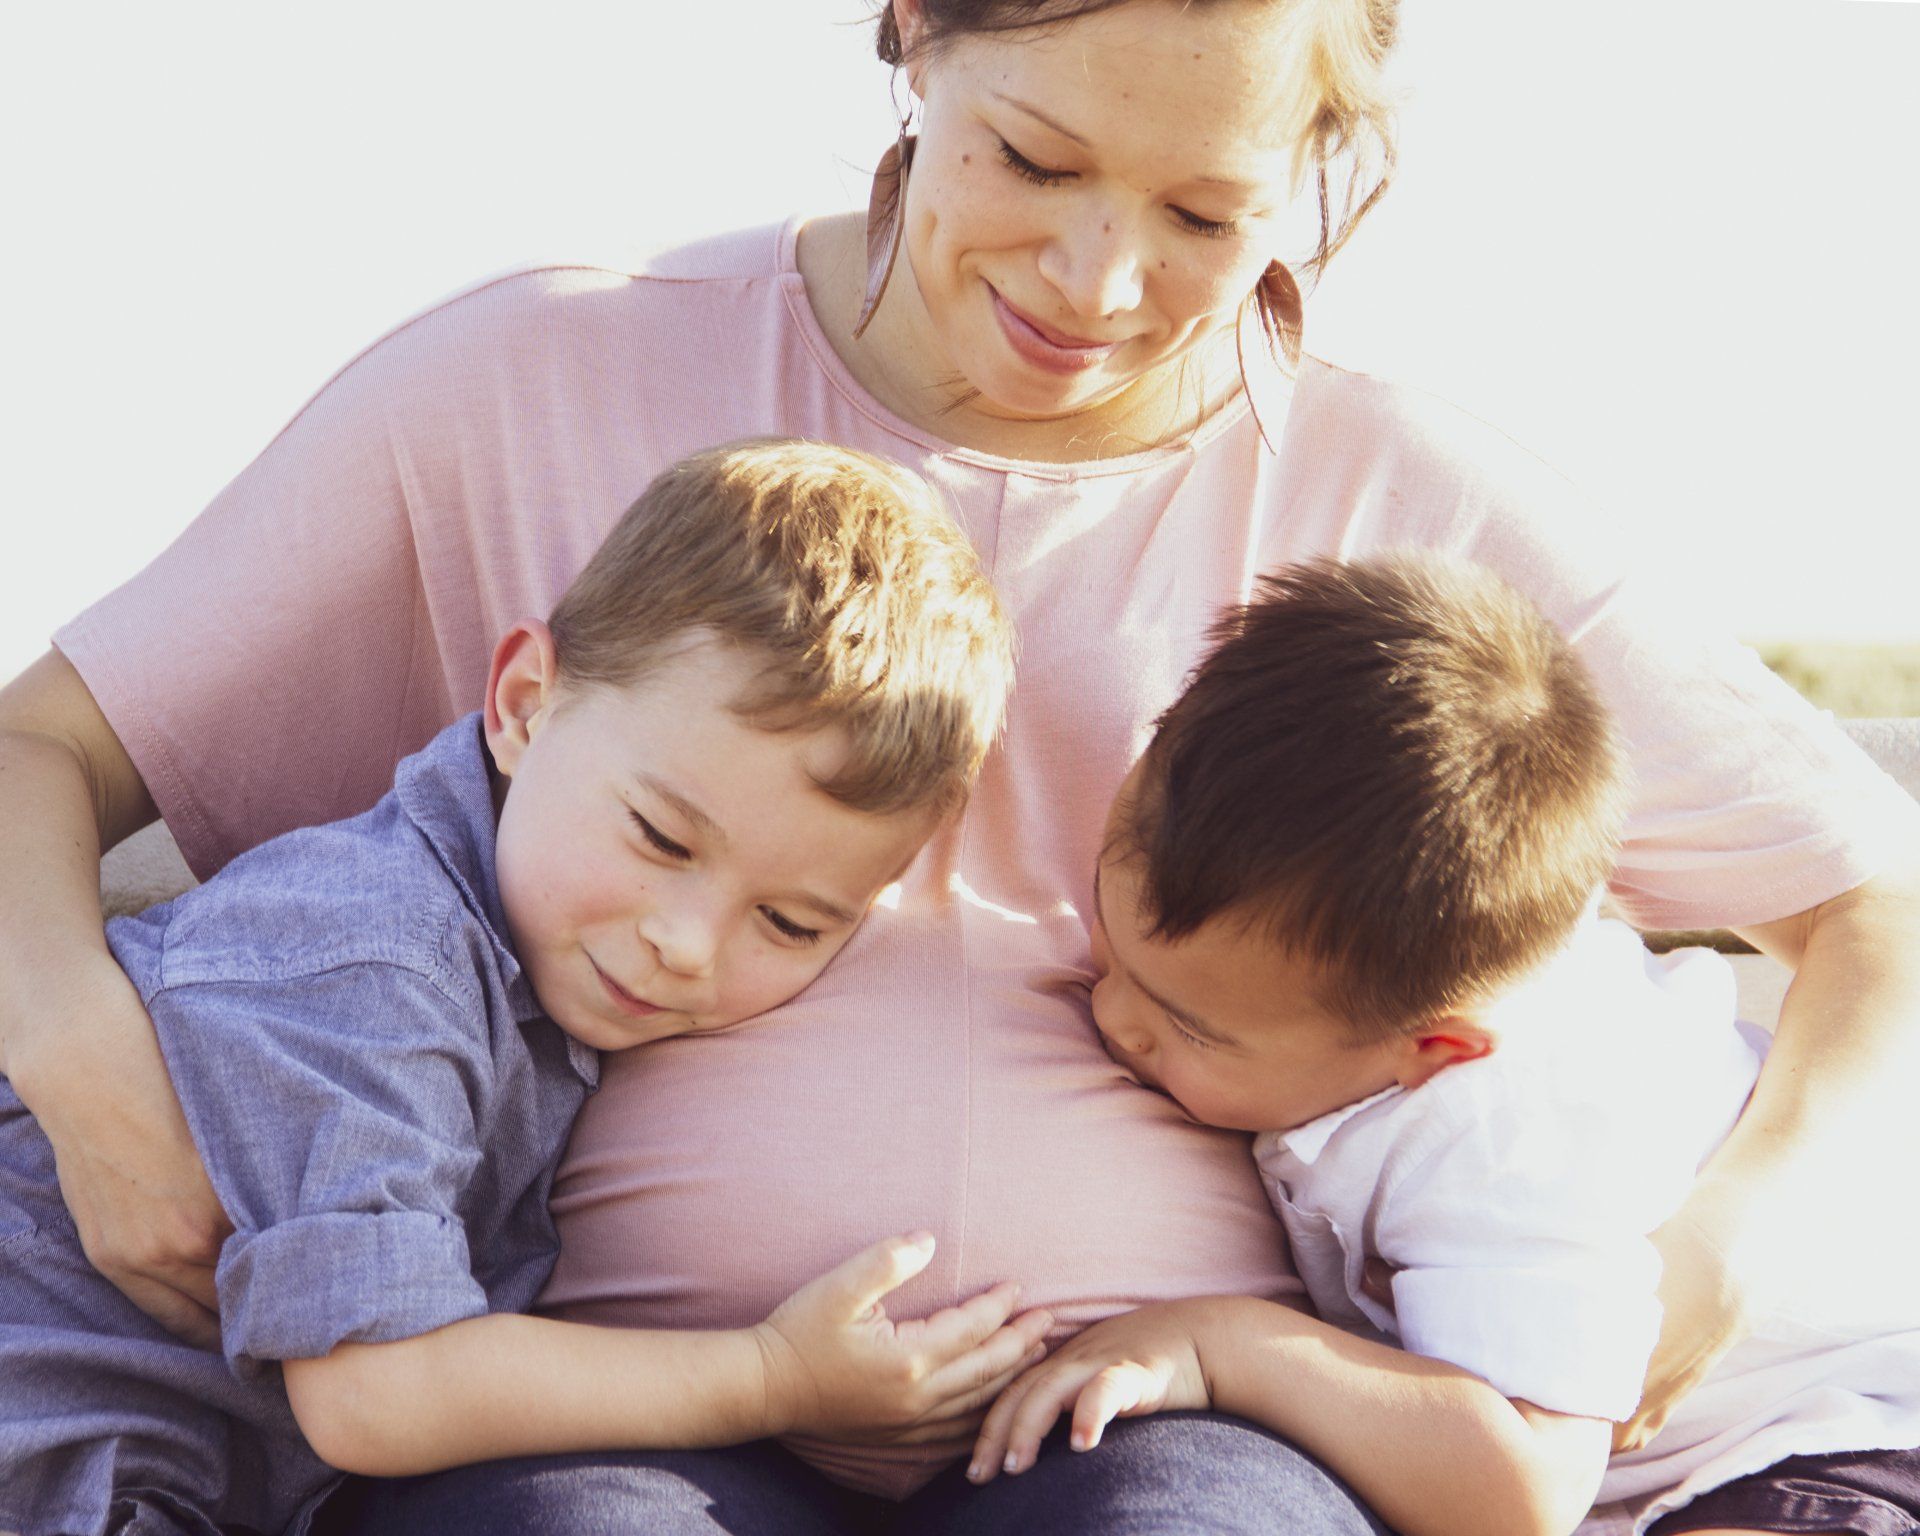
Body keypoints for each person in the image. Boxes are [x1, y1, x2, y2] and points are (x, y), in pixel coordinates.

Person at [1, 0, 1916, 1530]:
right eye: (1036, 158)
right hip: (589, 1401)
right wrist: (86, 1066)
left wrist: (1732, 1236)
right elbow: (36, 753)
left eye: (1204, 215)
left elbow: (1871, 898)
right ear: (913, 34)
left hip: (1153, 1420)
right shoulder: (530, 382)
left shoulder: (1403, 500)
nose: (1096, 279)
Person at [0, 440, 1041, 1536]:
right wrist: (771, 1376)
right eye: (659, 836)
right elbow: (373, 1392)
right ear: (524, 702)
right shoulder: (379, 961)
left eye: (789, 922)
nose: (685, 943)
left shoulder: (528, 955)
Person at [969, 556, 1920, 1536]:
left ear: (1435, 1050)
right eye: (1114, 949)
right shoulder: (1349, 993)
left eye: (1189, 1027)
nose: (1116, 1018)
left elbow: (1525, 1487)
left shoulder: (1504, 1134)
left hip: (1825, 1428)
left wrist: (1228, 1347)